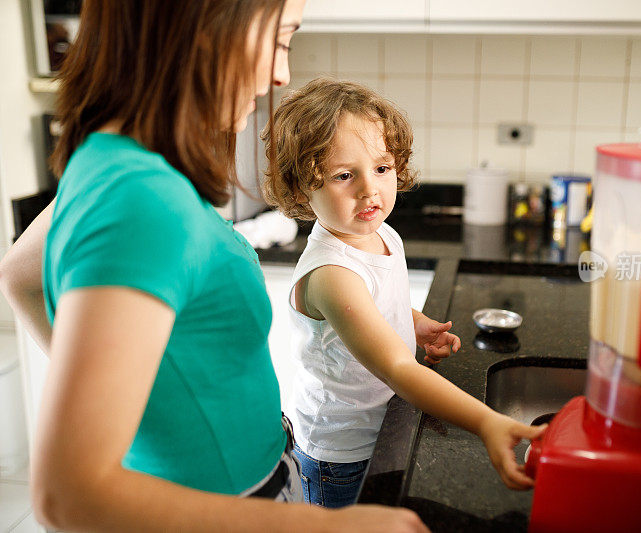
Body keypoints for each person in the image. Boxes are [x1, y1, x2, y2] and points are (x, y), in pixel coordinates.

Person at [0, 1, 428, 531]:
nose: (281, 72)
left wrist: (139, 406)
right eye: (279, 40)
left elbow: (19, 271)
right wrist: (333, 526)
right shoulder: (142, 196)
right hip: (229, 507)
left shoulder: (116, 156)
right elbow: (67, 496)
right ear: (204, 25)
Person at [262, 78, 546, 508]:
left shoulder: (380, 232)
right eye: (344, 175)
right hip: (342, 456)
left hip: (383, 424)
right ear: (303, 188)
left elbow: (373, 307)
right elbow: (396, 366)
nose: (368, 189)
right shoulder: (332, 274)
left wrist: (413, 323)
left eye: (381, 168)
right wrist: (487, 423)